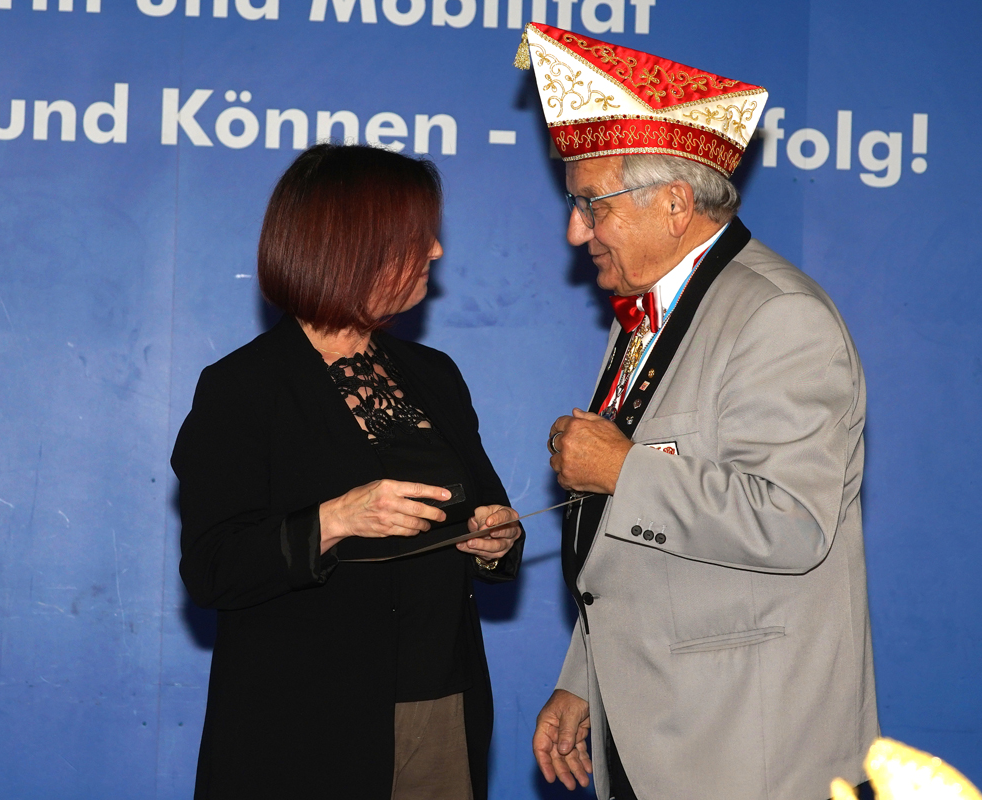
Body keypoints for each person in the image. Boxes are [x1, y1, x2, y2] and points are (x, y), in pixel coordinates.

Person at [515, 24, 879, 800]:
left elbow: (791, 523)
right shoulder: (645, 313)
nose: (575, 230)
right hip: (655, 731)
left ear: (675, 204)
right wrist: (585, 677)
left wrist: (621, 469)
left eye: (590, 204)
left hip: (747, 748)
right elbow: (636, 544)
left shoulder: (778, 317)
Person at [171, 143, 523, 800]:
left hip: (440, 707)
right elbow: (213, 568)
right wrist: (336, 518)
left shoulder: (435, 375)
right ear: (355, 247)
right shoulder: (243, 388)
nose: (436, 250)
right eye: (418, 235)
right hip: (304, 727)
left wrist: (497, 539)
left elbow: (487, 508)